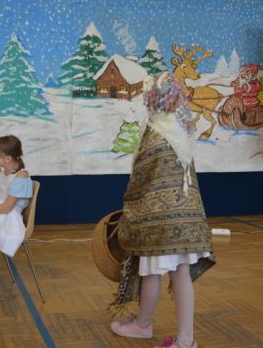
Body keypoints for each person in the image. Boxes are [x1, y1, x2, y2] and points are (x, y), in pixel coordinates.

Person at [109, 72, 216, 348]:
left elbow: (141, 179)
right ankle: (186, 339)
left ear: (154, 97)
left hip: (159, 223)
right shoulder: (182, 128)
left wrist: (129, 209)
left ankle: (143, 325)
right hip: (187, 219)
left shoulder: (155, 132)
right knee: (181, 273)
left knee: (152, 272)